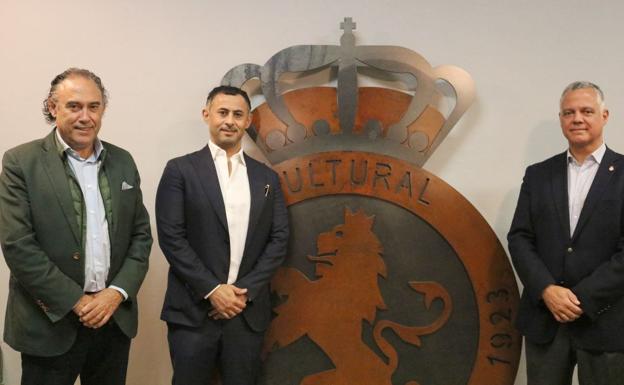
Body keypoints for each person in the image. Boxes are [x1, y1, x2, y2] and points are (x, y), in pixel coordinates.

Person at [0, 68, 152, 385]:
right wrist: (78, 301)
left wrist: (116, 294)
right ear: (53, 108)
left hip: (113, 321)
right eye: (74, 106)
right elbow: (18, 244)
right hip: (50, 323)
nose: (85, 116)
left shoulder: (123, 161)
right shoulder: (20, 162)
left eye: (93, 107)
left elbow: (140, 236)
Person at [156, 85, 289, 385]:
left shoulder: (266, 178)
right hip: (192, 313)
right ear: (207, 115)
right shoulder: (180, 170)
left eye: (238, 114)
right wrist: (214, 291)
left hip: (246, 312)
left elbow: (279, 239)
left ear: (248, 122)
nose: (229, 120)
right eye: (223, 112)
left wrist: (243, 292)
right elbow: (172, 238)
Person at [508, 81, 624, 385]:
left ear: (605, 115)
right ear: (561, 119)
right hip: (545, 317)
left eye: (587, 111)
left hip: (606, 319)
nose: (577, 119)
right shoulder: (538, 174)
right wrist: (547, 289)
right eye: (568, 112)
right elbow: (519, 237)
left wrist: (580, 298)